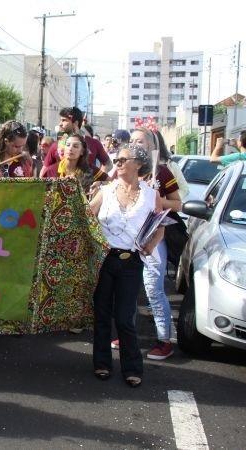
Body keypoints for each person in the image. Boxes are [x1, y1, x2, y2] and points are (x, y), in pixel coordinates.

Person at [89, 144, 163, 388]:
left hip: (131, 262)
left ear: (138, 164)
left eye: (123, 160)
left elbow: (160, 225)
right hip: (104, 259)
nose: (117, 163)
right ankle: (101, 362)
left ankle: (132, 366)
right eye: (116, 160)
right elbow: (87, 218)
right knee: (101, 313)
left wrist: (150, 246)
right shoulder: (106, 191)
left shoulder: (151, 195)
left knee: (124, 317)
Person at [108, 127, 180, 360]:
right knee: (129, 290)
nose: (136, 144)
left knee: (152, 288)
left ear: (151, 146)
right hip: (124, 241)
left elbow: (178, 204)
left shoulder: (163, 173)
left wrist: (156, 196)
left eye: (141, 141)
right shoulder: (120, 171)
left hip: (151, 239)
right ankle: (127, 334)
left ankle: (164, 339)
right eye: (133, 141)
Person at [40, 107, 113, 178]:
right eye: (61, 120)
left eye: (64, 120)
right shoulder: (56, 145)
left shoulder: (93, 143)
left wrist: (98, 180)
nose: (60, 124)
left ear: (75, 123)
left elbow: (108, 164)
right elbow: (45, 169)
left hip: (86, 188)